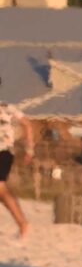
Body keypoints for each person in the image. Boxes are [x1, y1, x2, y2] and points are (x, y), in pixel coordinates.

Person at [0, 85, 33, 238]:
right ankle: (22, 223)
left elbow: (27, 124)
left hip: (3, 152)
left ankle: (22, 223)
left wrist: (30, 148)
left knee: (0, 188)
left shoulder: (8, 107)